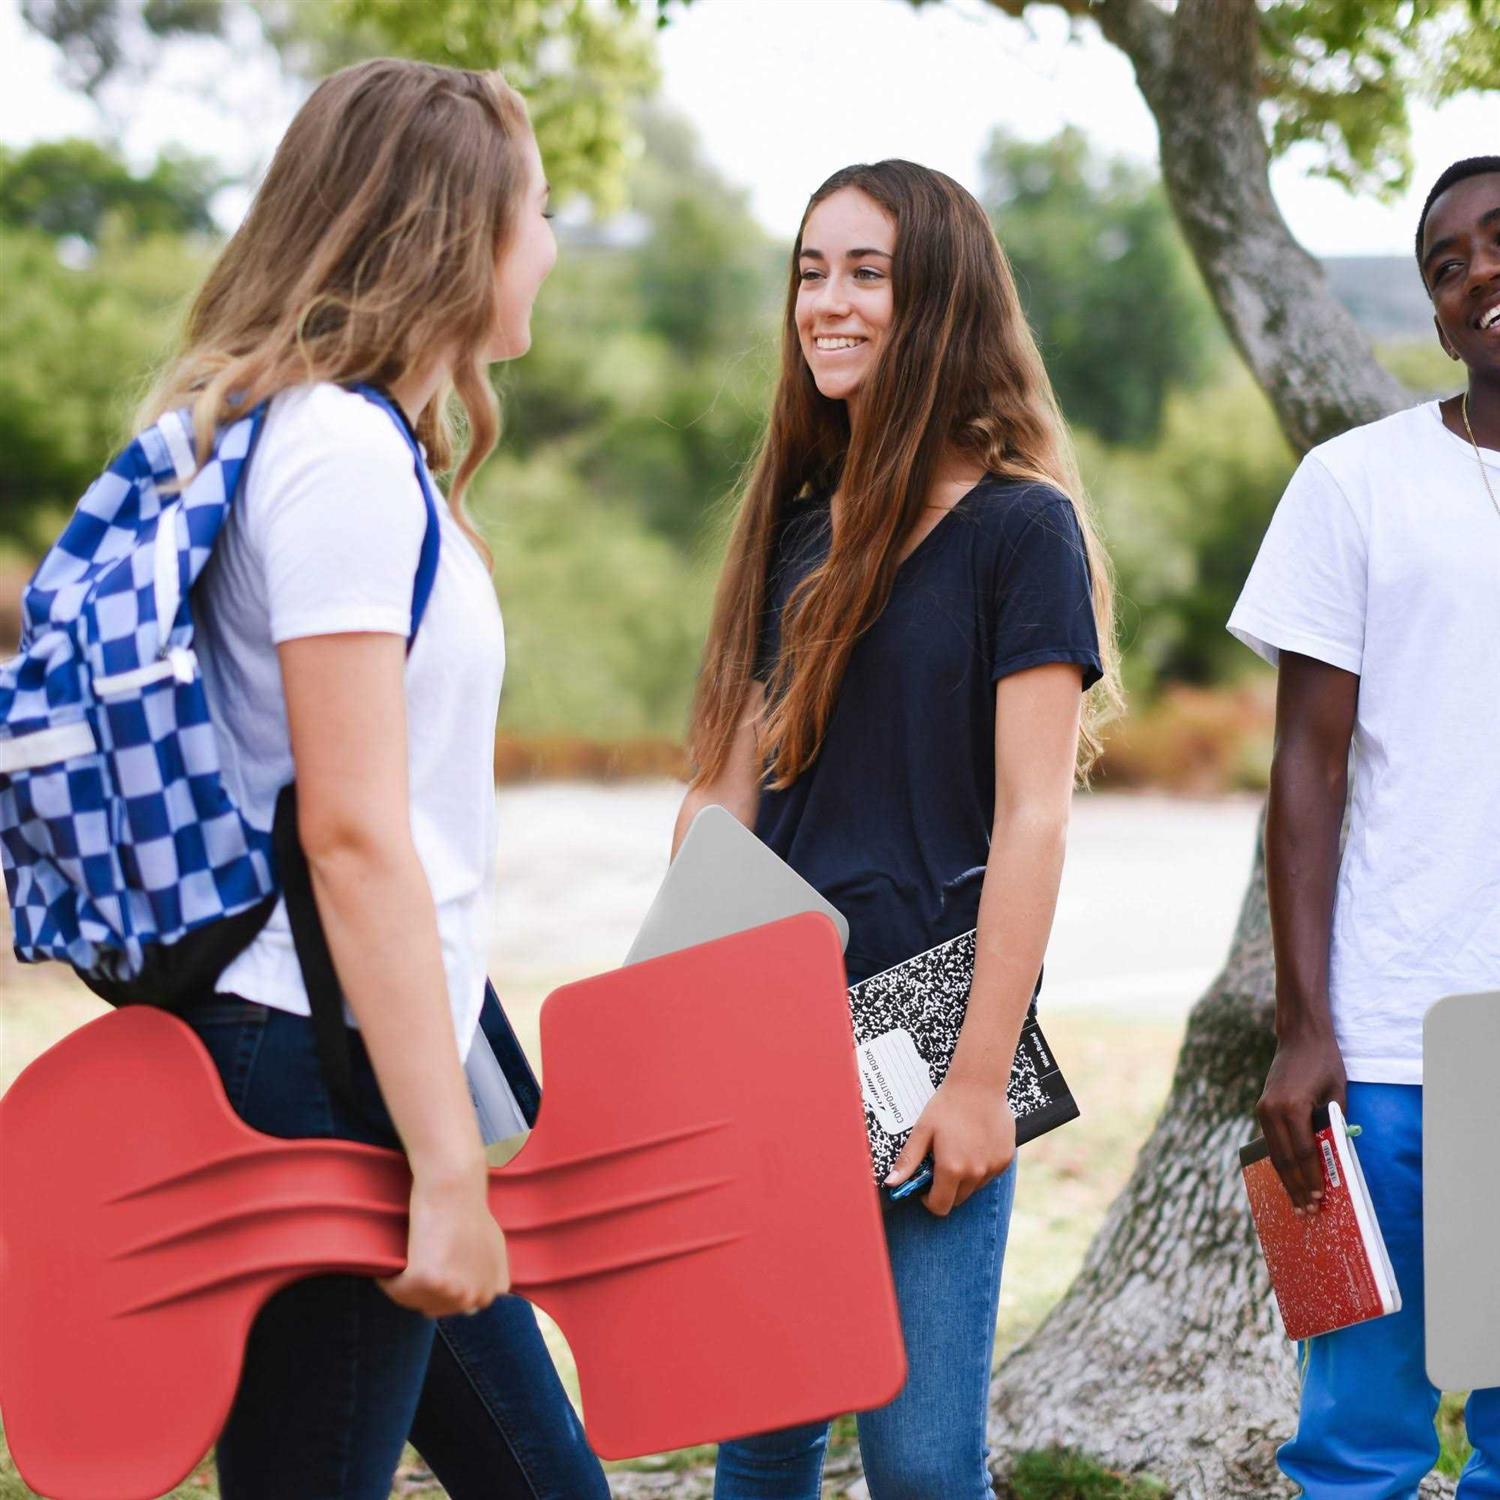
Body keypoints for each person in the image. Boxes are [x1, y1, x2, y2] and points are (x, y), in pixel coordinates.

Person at [138, 58, 610, 1499]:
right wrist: (443, 1165)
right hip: (328, 1068)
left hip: (359, 1053)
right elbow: (351, 833)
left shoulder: (335, 442)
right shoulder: (336, 454)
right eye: (536, 208)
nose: (548, 240)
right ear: (455, 232)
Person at [675, 160, 1119, 1499]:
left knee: (924, 1467)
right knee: (760, 1447)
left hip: (930, 1029)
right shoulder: (795, 531)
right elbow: (727, 799)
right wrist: (673, 1024)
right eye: (811, 271)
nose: (829, 301)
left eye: (866, 271)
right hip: (773, 1023)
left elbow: (1038, 814)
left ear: (939, 300)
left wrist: (980, 1077)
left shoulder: (1020, 531)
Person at [1229, 154, 1500, 1498]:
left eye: (1499, 238)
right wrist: (1301, 1025)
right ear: (1437, 314)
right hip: (1387, 1045)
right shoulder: (1355, 485)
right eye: (1445, 264)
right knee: (1359, 1441)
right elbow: (1305, 773)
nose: (1478, 272)